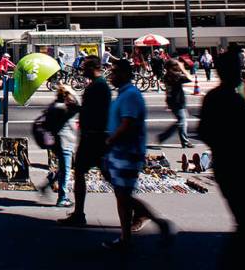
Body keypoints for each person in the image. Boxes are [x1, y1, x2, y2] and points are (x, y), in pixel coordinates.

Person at [199, 48, 245, 268]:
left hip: (227, 168)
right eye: (237, 68)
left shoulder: (215, 97)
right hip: (242, 171)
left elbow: (204, 131)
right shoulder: (230, 99)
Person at [103, 59, 170, 251]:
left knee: (123, 196)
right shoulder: (124, 94)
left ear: (124, 74)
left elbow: (127, 124)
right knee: (121, 195)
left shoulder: (131, 95)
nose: (111, 75)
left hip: (128, 152)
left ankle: (154, 221)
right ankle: (126, 237)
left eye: (115, 72)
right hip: (119, 151)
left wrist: (109, 142)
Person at [59, 55, 111, 227]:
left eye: (85, 67)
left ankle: (139, 211)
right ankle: (79, 213)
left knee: (108, 178)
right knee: (81, 172)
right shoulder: (97, 85)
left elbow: (97, 112)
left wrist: (77, 108)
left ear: (93, 67)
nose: (82, 70)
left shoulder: (99, 86)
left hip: (95, 138)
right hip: (92, 137)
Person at [41, 85, 80, 207]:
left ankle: (47, 185)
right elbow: (78, 106)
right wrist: (73, 91)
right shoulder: (62, 108)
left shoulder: (54, 106)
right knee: (66, 171)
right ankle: (62, 198)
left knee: (63, 169)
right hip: (65, 142)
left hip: (57, 142)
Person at [157, 59, 195, 148]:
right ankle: (183, 141)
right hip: (178, 102)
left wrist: (167, 101)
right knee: (182, 122)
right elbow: (190, 78)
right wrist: (183, 69)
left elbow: (167, 90)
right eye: (176, 65)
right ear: (172, 67)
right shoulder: (176, 76)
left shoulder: (167, 76)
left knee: (182, 121)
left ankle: (166, 137)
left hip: (174, 101)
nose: (178, 66)